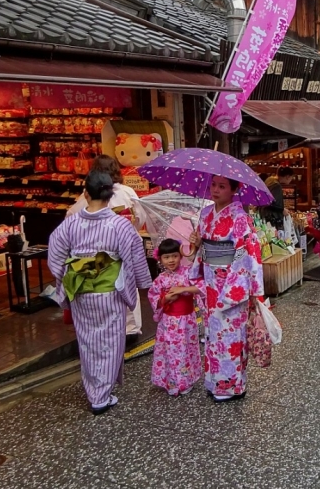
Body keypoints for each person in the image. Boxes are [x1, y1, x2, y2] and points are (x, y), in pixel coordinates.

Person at [48, 170, 152, 414]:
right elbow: (136, 255)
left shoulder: (71, 223)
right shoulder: (119, 225)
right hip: (109, 291)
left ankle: (94, 389)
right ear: (111, 195)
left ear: (86, 193)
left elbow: (55, 256)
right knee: (111, 342)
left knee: (87, 342)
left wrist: (67, 277)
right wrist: (143, 284)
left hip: (81, 291)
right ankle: (100, 395)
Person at [188, 175, 264, 402]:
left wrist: (233, 275)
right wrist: (198, 242)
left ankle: (231, 387)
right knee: (212, 334)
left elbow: (247, 251)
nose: (215, 190)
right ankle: (214, 381)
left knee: (230, 335)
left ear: (234, 190)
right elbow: (199, 252)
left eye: (222, 186)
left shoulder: (240, 218)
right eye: (213, 185)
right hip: (211, 282)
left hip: (231, 283)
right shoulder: (205, 214)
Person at [66, 154, 144, 339]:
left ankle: (104, 328)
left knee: (102, 288)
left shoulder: (87, 195)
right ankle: (130, 328)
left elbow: (71, 216)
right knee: (127, 285)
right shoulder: (127, 192)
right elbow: (140, 217)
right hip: (124, 246)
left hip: (96, 250)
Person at [148, 238, 205, 397]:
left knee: (186, 350)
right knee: (171, 351)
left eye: (174, 256)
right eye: (166, 257)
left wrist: (181, 290)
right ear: (160, 259)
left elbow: (201, 287)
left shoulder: (188, 272)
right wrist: (165, 299)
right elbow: (153, 297)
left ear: (180, 256)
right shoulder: (160, 280)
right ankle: (173, 382)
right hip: (168, 322)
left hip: (187, 320)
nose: (171, 260)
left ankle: (185, 381)